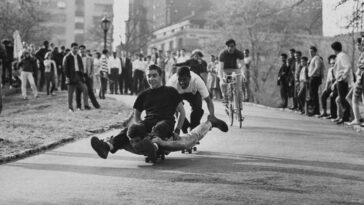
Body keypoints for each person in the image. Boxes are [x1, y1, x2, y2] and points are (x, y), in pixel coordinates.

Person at [91, 64, 186, 162]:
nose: (151, 78)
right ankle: (106, 147)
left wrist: (177, 130)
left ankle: (153, 148)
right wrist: (141, 128)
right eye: (149, 76)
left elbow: (182, 113)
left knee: (160, 127)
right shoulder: (143, 95)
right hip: (149, 122)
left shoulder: (171, 91)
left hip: (166, 122)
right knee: (131, 129)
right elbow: (136, 115)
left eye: (154, 75)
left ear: (160, 76)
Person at [167, 66, 219, 133]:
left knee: (198, 110)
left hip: (193, 93)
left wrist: (212, 115)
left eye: (184, 79)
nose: (182, 82)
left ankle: (193, 129)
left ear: (190, 78)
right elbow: (168, 104)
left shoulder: (197, 80)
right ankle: (184, 125)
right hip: (178, 93)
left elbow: (208, 101)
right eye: (180, 80)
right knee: (176, 108)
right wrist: (178, 127)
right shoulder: (172, 83)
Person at [63, 42, 90, 112]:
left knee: (85, 89)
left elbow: (81, 66)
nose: (76, 50)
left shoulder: (78, 56)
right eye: (74, 48)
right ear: (71, 48)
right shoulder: (67, 57)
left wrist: (82, 75)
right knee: (70, 93)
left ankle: (86, 105)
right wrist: (67, 77)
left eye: (77, 48)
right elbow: (65, 69)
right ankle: (70, 108)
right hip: (71, 76)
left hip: (78, 75)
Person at [331, 41, 353, 124]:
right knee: (341, 98)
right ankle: (344, 116)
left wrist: (343, 76)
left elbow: (348, 66)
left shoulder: (342, 56)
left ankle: (345, 117)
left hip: (342, 80)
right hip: (339, 80)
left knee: (343, 98)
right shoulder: (339, 56)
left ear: (334, 49)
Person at [218, 39, 244, 107]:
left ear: (235, 46)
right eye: (228, 46)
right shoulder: (223, 54)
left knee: (239, 89)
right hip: (225, 70)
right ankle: (225, 97)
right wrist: (221, 79)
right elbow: (220, 69)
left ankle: (239, 103)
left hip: (235, 70)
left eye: (232, 46)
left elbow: (242, 65)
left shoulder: (239, 53)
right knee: (223, 83)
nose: (230, 48)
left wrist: (243, 73)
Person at [347, 37, 364, 126]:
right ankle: (359, 118)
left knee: (354, 98)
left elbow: (361, 66)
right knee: (351, 97)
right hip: (359, 78)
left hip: (361, 79)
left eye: (360, 44)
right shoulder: (362, 54)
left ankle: (358, 118)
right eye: (360, 43)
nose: (360, 45)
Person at [77, 45, 100, 109]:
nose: (81, 50)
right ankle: (79, 106)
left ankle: (96, 105)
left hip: (87, 75)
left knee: (90, 91)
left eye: (83, 49)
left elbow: (92, 68)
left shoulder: (89, 58)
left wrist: (91, 74)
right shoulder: (77, 58)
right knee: (78, 91)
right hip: (79, 75)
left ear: (85, 50)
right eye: (80, 49)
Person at [307, 46, 324, 116]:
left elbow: (317, 67)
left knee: (313, 94)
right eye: (309, 52)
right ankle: (314, 110)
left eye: (312, 51)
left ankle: (315, 110)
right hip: (312, 78)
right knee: (312, 94)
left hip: (314, 77)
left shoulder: (317, 58)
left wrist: (311, 74)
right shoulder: (311, 59)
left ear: (315, 52)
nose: (310, 53)